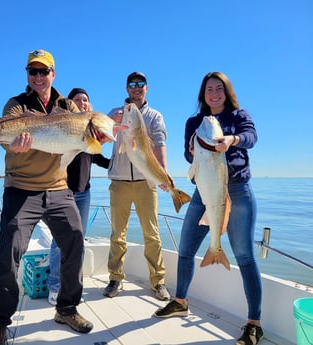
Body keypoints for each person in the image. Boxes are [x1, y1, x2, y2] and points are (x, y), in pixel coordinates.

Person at [0, 49, 93, 345]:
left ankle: (67, 308)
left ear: (53, 74)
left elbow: (85, 135)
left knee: (74, 241)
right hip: (21, 188)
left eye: (43, 71)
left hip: (58, 188)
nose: (37, 77)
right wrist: (12, 145)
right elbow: (6, 135)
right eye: (32, 71)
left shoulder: (67, 105)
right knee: (9, 251)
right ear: (27, 75)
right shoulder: (16, 104)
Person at [153, 72, 263, 345]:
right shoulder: (194, 121)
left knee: (245, 256)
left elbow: (251, 136)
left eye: (219, 89)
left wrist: (231, 140)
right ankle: (180, 301)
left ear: (226, 92)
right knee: (186, 249)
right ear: (203, 95)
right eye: (209, 90)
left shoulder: (238, 116)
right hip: (203, 191)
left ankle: (254, 323)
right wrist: (193, 150)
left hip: (237, 191)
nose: (214, 94)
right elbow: (188, 155)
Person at [103, 71, 171, 301]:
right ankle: (115, 278)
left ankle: (158, 281)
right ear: (126, 88)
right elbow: (101, 135)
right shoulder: (117, 113)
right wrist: (110, 120)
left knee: (152, 234)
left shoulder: (155, 116)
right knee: (117, 235)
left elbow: (160, 143)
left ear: (147, 88)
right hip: (119, 181)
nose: (136, 87)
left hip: (146, 182)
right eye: (132, 84)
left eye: (140, 83)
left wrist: (162, 172)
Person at [47, 88, 110, 305]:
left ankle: (73, 286)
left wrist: (123, 166)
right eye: (77, 100)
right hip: (61, 191)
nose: (82, 102)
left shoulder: (91, 134)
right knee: (58, 242)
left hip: (84, 193)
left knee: (78, 242)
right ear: (70, 104)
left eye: (85, 99)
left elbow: (100, 159)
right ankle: (55, 286)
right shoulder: (64, 128)